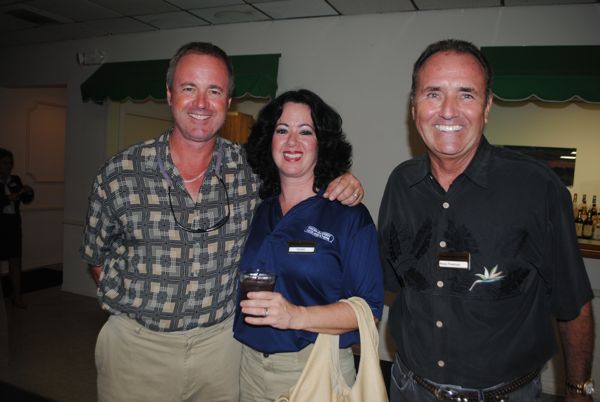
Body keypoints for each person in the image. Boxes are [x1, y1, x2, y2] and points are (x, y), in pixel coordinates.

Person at [80, 42, 365, 402]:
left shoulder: (251, 170)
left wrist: (343, 179)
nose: (201, 103)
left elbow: (301, 172)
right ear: (169, 95)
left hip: (222, 350)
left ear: (228, 101)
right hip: (138, 351)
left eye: (214, 91)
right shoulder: (120, 174)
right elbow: (96, 257)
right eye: (189, 88)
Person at [378, 39, 594, 402]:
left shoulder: (537, 188)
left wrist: (578, 389)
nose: (448, 111)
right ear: (414, 107)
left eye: (466, 94)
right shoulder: (401, 183)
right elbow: (390, 279)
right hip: (409, 389)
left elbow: (574, 304)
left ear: (488, 107)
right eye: (433, 93)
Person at [233, 89, 384, 402]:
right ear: (269, 140)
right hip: (248, 366)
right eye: (282, 130)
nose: (292, 142)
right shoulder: (262, 210)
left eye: (305, 131)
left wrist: (295, 315)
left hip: (314, 366)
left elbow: (369, 310)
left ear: (322, 144)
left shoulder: (348, 216)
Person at [0, 148, 34, 309]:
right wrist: (8, 198)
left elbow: (26, 199)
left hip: (13, 225)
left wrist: (28, 191)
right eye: (5, 163)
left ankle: (17, 296)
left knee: (15, 261)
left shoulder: (15, 179)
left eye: (10, 163)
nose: (9, 166)